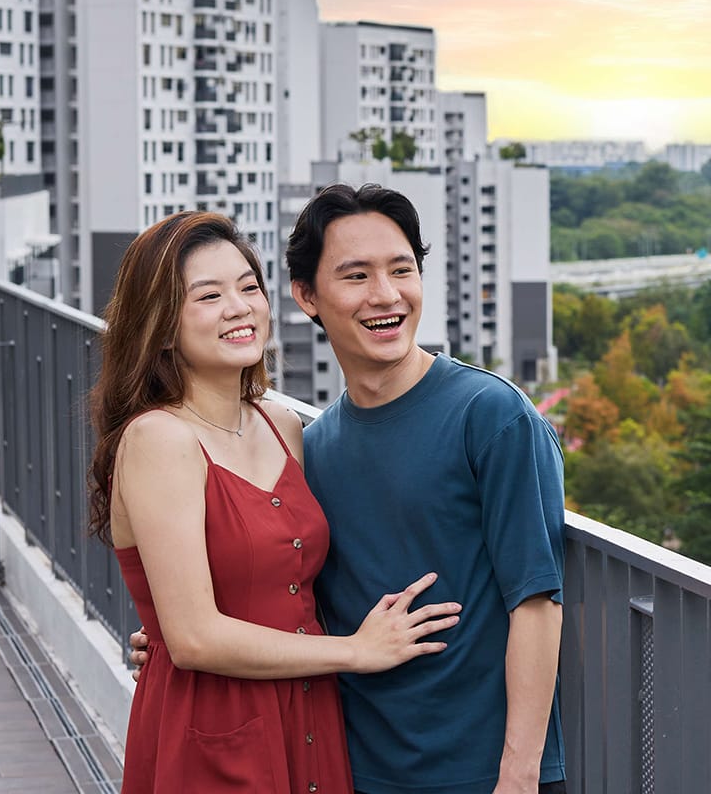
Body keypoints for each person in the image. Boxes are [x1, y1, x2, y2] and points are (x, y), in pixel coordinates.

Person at [134, 184, 567, 793]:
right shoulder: (315, 444)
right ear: (307, 296)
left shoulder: (491, 415)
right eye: (356, 275)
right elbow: (287, 584)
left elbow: (537, 602)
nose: (386, 295)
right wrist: (171, 632)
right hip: (347, 764)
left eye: (402, 270)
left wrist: (519, 777)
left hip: (480, 775)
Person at [90, 210, 461, 793]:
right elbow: (192, 639)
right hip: (213, 724)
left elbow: (290, 577)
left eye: (248, 287)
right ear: (162, 326)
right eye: (208, 295)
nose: (240, 308)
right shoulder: (158, 438)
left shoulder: (283, 425)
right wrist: (355, 651)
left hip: (309, 714)